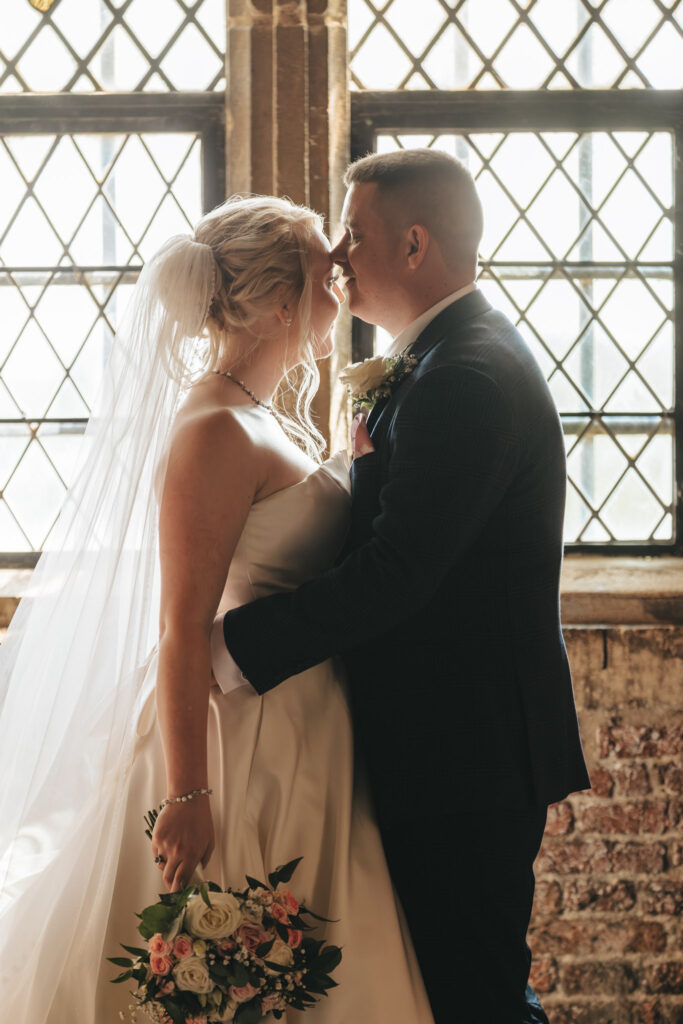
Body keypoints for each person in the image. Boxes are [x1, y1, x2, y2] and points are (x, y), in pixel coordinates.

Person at [0, 195, 433, 1024]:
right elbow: (179, 626)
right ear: (279, 301)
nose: (339, 283)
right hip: (241, 745)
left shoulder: (258, 415)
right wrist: (190, 796)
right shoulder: (211, 431)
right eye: (322, 273)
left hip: (306, 727)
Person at [210, 150, 591, 1023]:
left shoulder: (465, 376)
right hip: (438, 742)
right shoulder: (438, 362)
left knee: (475, 996)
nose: (336, 257)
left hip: (463, 752)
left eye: (354, 234)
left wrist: (230, 647)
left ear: (414, 244)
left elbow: (396, 573)